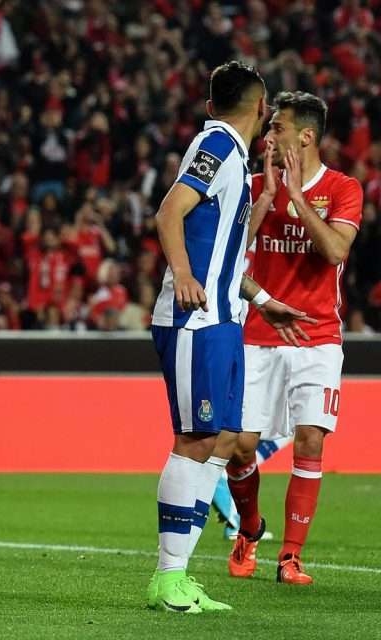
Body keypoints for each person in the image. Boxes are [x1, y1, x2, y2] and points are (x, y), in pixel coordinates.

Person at [145, 61, 310, 614]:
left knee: (218, 441)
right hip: (196, 318)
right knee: (194, 440)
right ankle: (169, 579)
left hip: (223, 318)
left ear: (215, 102)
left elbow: (224, 254)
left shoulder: (235, 158)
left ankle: (180, 575)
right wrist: (184, 274)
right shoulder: (214, 145)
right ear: (261, 109)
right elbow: (170, 213)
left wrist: (263, 300)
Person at [222, 91, 362, 586]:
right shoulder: (253, 185)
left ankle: (291, 556)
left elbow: (334, 251)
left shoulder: (344, 189)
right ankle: (251, 527)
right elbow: (226, 263)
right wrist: (267, 199)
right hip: (256, 334)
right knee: (240, 447)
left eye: (276, 128)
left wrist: (298, 198)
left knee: (310, 441)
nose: (267, 135)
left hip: (318, 336)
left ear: (305, 136)